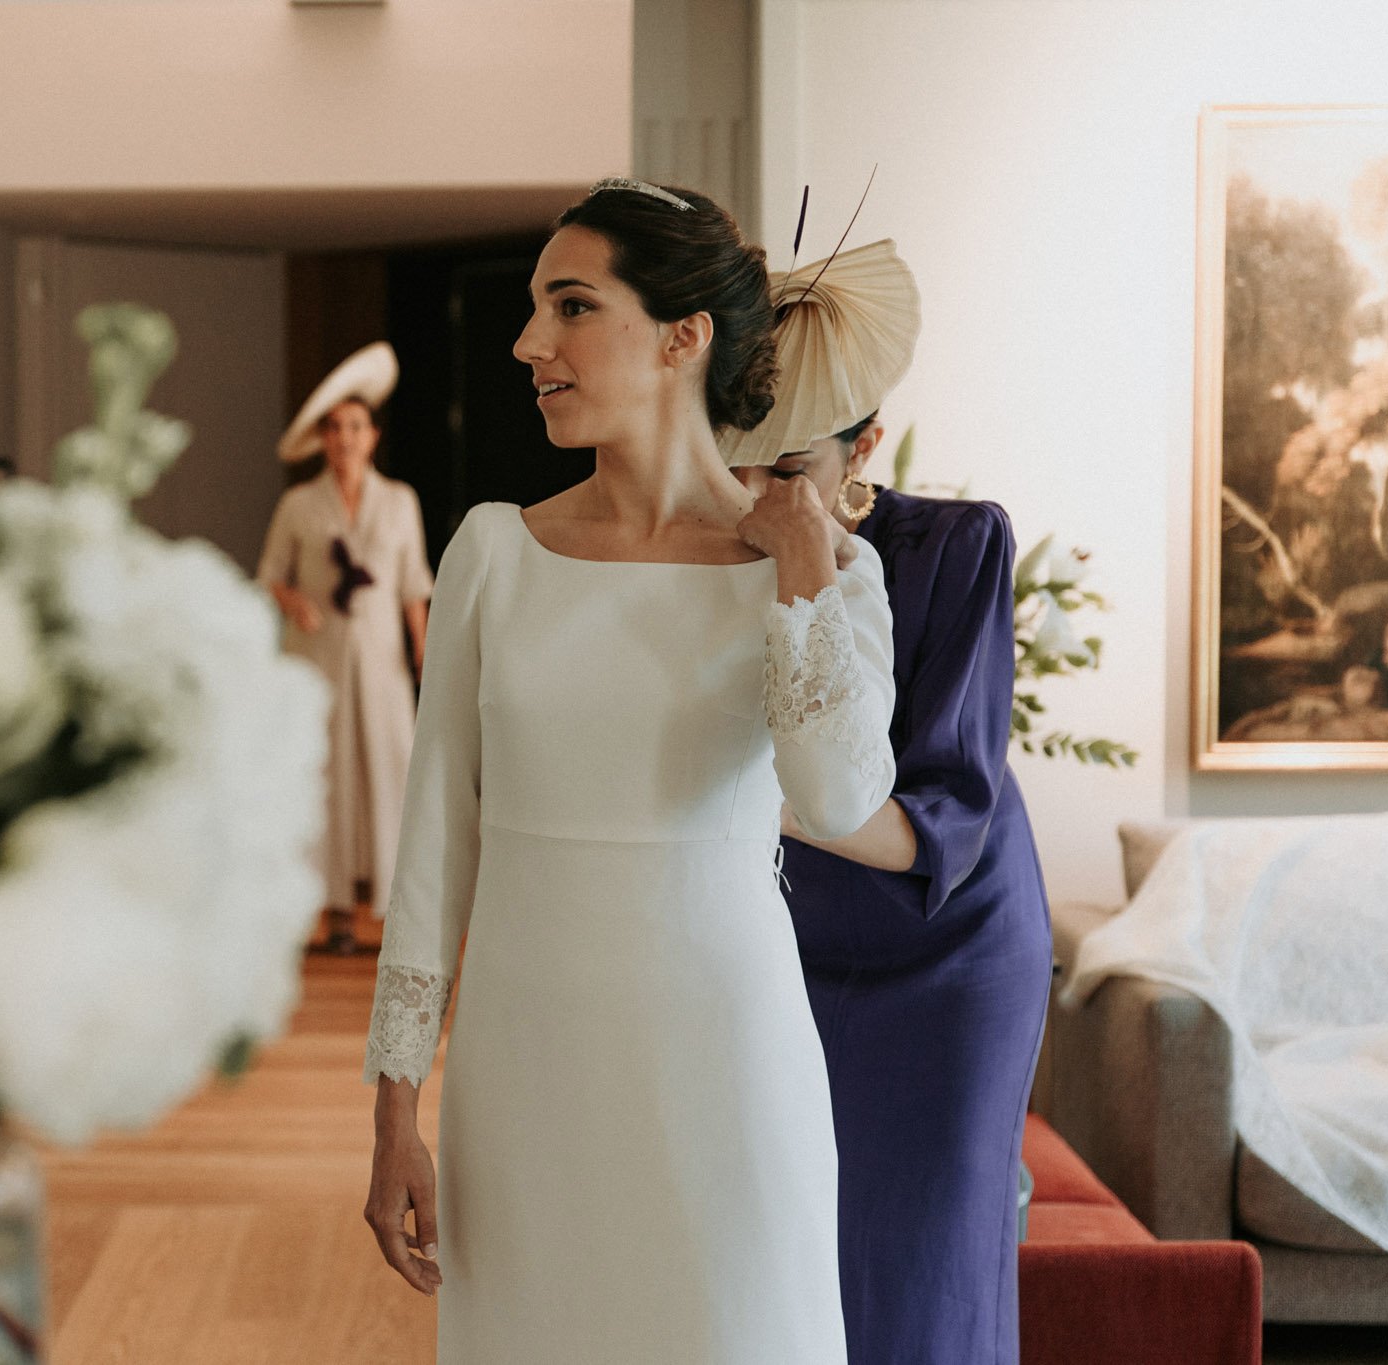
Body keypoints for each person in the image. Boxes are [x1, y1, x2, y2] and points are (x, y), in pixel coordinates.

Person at [360, 177, 897, 1363]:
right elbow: (432, 846)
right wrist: (395, 1105)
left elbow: (835, 796)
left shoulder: (820, 571)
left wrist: (802, 562)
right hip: (524, 1077)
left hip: (724, 1063)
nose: (527, 344)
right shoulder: (494, 552)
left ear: (679, 336)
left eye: (567, 307)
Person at [719, 240, 1053, 1365]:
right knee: (773, 1249)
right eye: (737, 459)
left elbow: (938, 815)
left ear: (864, 443)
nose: (756, 495)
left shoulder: (956, 548)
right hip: (779, 946)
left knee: (920, 1258)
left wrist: (735, 804)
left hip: (944, 940)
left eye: (788, 467)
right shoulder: (697, 547)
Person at [258, 343, 432, 954]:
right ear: (321, 440)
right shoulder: (300, 504)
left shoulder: (399, 501)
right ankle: (332, 910)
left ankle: (392, 906)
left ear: (372, 435)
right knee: (324, 775)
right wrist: (293, 600)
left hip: (380, 660)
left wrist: (422, 651)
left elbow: (414, 584)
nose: (345, 439)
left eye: (355, 427)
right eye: (334, 429)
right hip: (318, 657)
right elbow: (270, 573)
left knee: (390, 770)